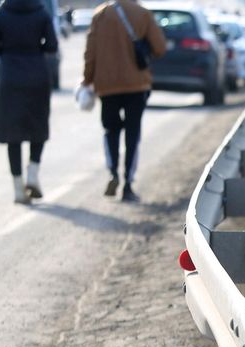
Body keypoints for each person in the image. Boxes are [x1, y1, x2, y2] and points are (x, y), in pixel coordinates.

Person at [81, 0, 166, 203]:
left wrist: (88, 79)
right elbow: (160, 48)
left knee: (110, 130)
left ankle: (113, 173)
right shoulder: (143, 14)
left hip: (107, 85)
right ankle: (128, 183)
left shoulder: (99, 15)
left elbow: (90, 53)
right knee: (132, 132)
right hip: (137, 84)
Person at [0, 0, 58, 204]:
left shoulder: (0, 14)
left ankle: (18, 189)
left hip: (9, 76)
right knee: (37, 125)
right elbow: (52, 45)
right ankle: (33, 173)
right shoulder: (41, 13)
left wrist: (8, 50)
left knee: (13, 133)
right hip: (37, 74)